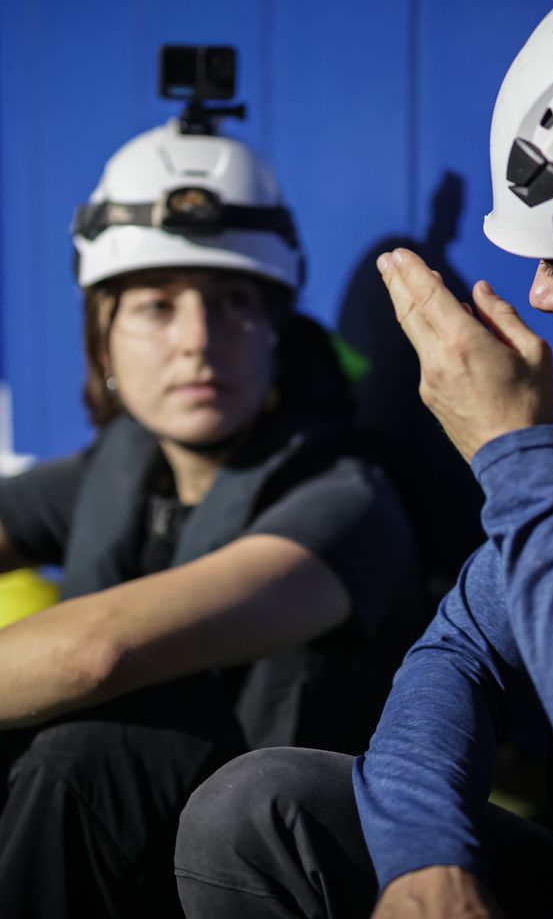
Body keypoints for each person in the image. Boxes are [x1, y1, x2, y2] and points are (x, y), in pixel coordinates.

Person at [174, 0, 553, 919]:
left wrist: (512, 464)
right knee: (256, 809)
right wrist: (422, 854)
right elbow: (459, 656)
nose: (538, 295)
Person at [0, 113, 422, 918]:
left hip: (269, 871)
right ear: (103, 344)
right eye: (156, 306)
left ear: (275, 332)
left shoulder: (344, 500)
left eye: (233, 302)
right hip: (125, 859)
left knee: (86, 757)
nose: (198, 340)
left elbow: (96, 654)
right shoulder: (118, 471)